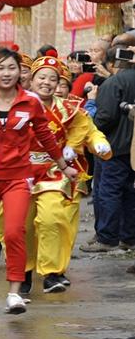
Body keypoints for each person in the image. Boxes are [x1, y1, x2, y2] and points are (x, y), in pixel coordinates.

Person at [0, 47, 77, 314]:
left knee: (15, 232)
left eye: (12, 68)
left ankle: (15, 293)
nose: (6, 74)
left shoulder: (30, 101)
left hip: (18, 176)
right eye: (0, 68)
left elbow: (45, 135)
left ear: (21, 72)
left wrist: (64, 166)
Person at [23, 50, 110, 294]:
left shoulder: (70, 109)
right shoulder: (18, 105)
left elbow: (88, 129)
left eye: (53, 78)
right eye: (42, 77)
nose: (47, 83)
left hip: (56, 170)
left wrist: (98, 143)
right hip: (22, 170)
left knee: (52, 218)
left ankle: (51, 272)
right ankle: (23, 270)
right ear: (31, 80)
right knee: (22, 225)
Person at [83, 45, 135, 252]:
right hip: (132, 150)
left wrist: (91, 109)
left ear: (111, 64)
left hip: (113, 147)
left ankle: (107, 237)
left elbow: (104, 119)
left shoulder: (113, 83)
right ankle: (128, 236)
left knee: (109, 192)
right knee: (130, 193)